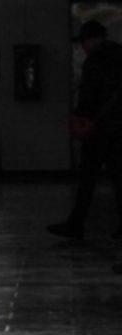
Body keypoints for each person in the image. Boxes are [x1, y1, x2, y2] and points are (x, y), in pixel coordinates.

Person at [47, 20, 122, 240]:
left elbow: (89, 95)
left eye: (83, 42)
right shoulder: (120, 55)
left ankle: (75, 224)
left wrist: (81, 118)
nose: (82, 47)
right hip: (119, 128)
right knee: (119, 177)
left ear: (92, 39)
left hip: (99, 129)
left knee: (88, 178)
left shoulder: (95, 61)